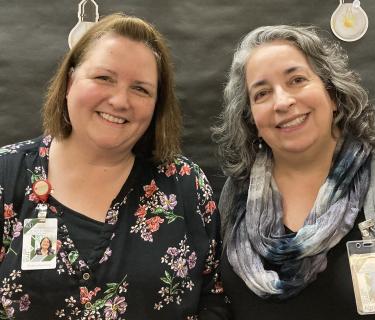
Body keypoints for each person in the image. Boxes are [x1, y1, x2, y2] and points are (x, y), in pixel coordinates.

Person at [0, 13, 229, 319]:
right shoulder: (6, 174)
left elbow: (214, 300)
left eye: (141, 89)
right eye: (104, 78)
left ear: (156, 104)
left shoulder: (187, 185)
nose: (120, 101)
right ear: (70, 82)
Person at [212, 24, 375, 319]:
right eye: (262, 93)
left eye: (297, 80)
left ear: (333, 93)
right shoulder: (238, 191)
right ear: (251, 120)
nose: (283, 102)